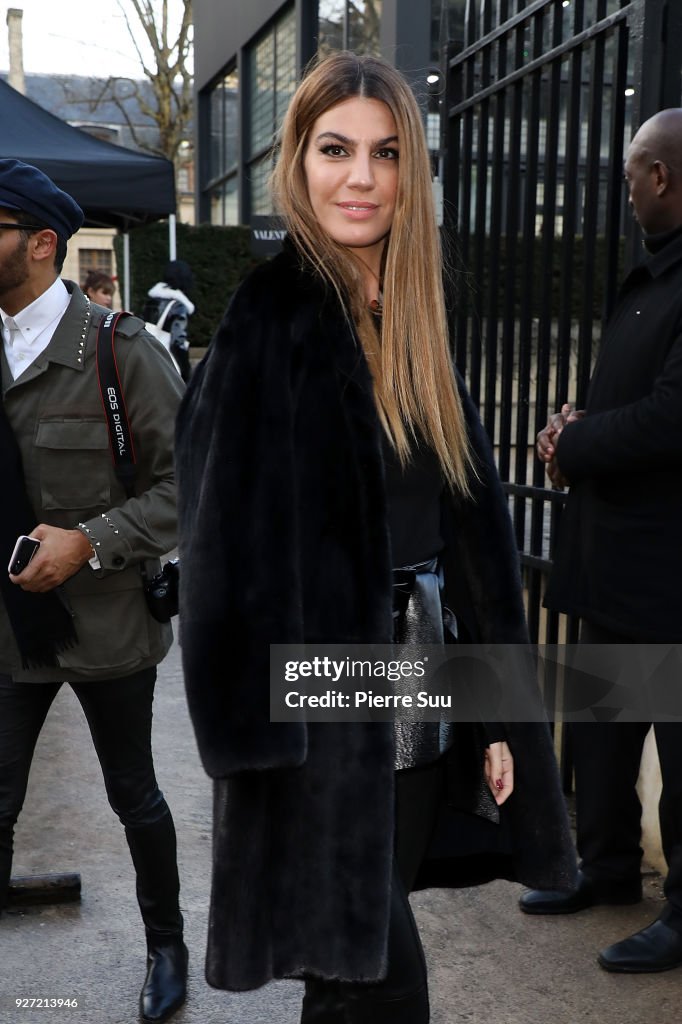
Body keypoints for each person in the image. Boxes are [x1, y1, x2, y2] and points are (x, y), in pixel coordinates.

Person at [175, 51, 575, 1021]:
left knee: (357, 971)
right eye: (335, 149)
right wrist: (259, 747)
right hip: (315, 722)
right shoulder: (270, 316)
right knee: (378, 981)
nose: (361, 177)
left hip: (415, 699)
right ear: (298, 162)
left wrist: (487, 714)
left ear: (411, 171)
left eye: (386, 152)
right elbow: (218, 550)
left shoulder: (410, 320)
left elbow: (467, 538)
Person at [0, 159, 188, 1023]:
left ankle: (166, 946)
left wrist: (91, 542)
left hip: (106, 626)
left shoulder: (120, 350)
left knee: (134, 795)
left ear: (41, 244)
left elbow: (186, 489)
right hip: (8, 631)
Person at [520, 108, 682, 974]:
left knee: (674, 743)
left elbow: (672, 417)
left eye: (630, 181)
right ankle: (609, 868)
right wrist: (570, 424)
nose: (625, 196)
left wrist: (575, 444)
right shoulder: (650, 276)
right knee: (601, 730)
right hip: (612, 558)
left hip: (666, 571)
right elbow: (632, 397)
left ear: (661, 177)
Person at [143, 260, 194, 383]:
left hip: (145, 361)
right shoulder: (178, 306)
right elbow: (178, 343)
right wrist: (187, 373)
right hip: (167, 367)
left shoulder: (150, 301)